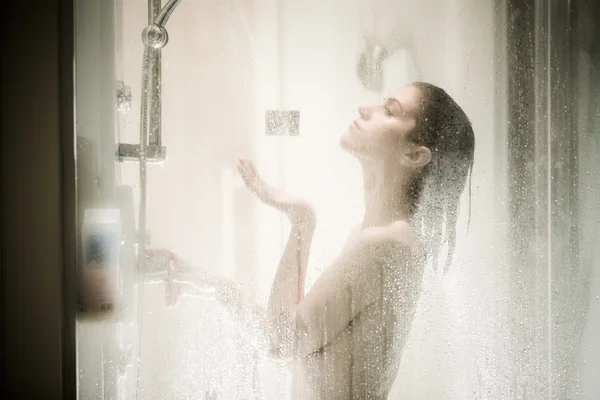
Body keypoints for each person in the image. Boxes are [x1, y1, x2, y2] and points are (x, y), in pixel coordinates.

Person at [157, 82, 475, 399]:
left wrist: (301, 222)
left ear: (415, 154)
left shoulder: (383, 245)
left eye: (388, 110)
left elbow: (282, 340)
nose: (365, 110)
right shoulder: (379, 237)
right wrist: (208, 285)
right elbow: (293, 343)